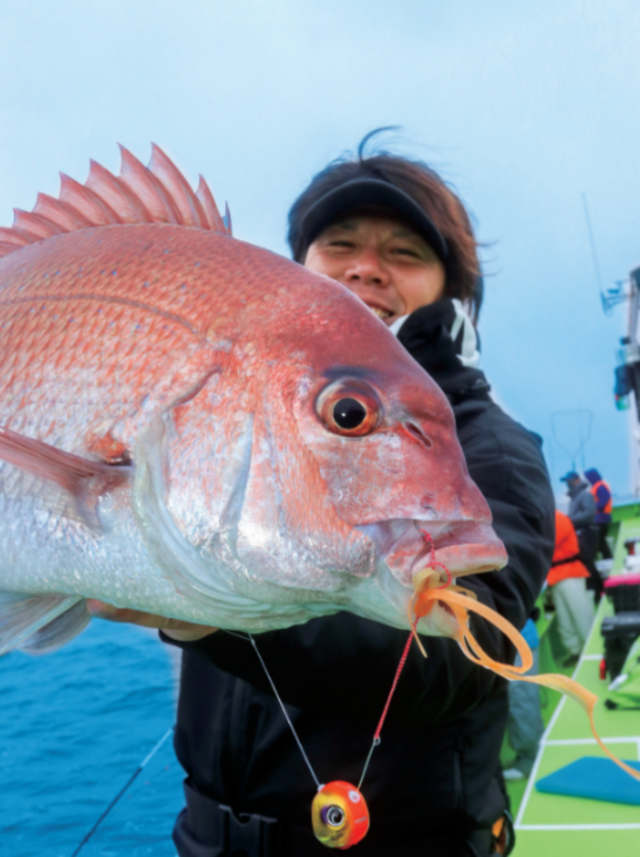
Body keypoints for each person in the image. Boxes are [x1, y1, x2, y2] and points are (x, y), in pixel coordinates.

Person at [90, 132, 555, 856]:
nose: (368, 268)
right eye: (340, 244)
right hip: (210, 836)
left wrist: (213, 618)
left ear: (452, 288)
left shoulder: (490, 447)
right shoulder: (229, 399)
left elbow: (473, 644)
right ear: (298, 265)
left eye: (405, 253)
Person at [547, 509, 595, 666]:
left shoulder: (558, 518)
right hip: (554, 576)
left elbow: (549, 543)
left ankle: (593, 650)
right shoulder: (545, 518)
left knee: (582, 615)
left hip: (569, 573)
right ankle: (575, 651)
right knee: (564, 619)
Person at [503, 614, 544, 782]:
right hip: (510, 637)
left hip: (517, 638)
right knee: (519, 699)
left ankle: (530, 759)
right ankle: (528, 755)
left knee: (521, 701)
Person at [560, 470, 601, 599]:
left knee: (588, 563)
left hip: (587, 534)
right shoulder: (574, 498)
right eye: (566, 481)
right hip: (579, 535)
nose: (567, 483)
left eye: (569, 480)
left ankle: (599, 593)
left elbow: (589, 515)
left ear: (577, 480)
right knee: (585, 563)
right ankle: (594, 592)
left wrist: (568, 521)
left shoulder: (585, 495)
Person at [584, 468, 613, 560]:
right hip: (600, 517)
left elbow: (604, 500)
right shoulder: (596, 486)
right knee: (600, 541)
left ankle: (608, 558)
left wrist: (593, 507)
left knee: (600, 541)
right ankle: (607, 558)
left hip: (602, 517)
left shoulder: (600, 486)